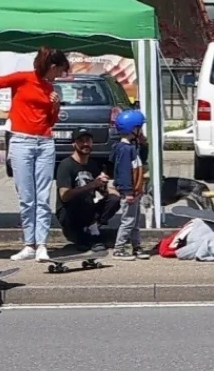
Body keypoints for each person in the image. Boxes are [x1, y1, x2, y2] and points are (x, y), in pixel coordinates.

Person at [0, 47, 69, 262]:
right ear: (52, 66)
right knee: (27, 197)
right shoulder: (23, 79)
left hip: (45, 142)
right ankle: (29, 244)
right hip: (21, 140)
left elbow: (50, 121)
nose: (60, 76)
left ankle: (42, 245)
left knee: (43, 196)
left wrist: (55, 107)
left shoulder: (51, 88)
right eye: (60, 71)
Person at [55, 128, 119, 249]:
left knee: (114, 199)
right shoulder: (66, 165)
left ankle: (91, 229)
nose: (85, 144)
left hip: (88, 210)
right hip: (69, 213)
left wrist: (112, 190)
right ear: (74, 144)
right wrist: (90, 185)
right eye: (81, 141)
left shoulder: (93, 165)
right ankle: (89, 235)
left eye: (88, 140)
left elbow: (101, 189)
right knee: (83, 194)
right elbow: (64, 195)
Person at [109, 110, 149, 259]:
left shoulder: (131, 147)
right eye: (140, 127)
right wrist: (128, 191)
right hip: (129, 191)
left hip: (135, 190)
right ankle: (119, 248)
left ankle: (136, 246)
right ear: (133, 128)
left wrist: (144, 144)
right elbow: (124, 172)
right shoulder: (125, 150)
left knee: (135, 221)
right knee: (128, 221)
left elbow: (143, 158)